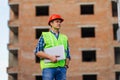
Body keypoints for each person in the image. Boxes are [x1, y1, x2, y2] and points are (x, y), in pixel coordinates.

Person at [34, 14, 71, 80]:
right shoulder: (45, 35)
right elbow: (37, 52)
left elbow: (68, 54)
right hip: (48, 68)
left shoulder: (64, 37)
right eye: (57, 21)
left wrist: (66, 66)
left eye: (60, 22)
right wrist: (50, 57)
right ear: (51, 23)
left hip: (62, 69)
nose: (59, 23)